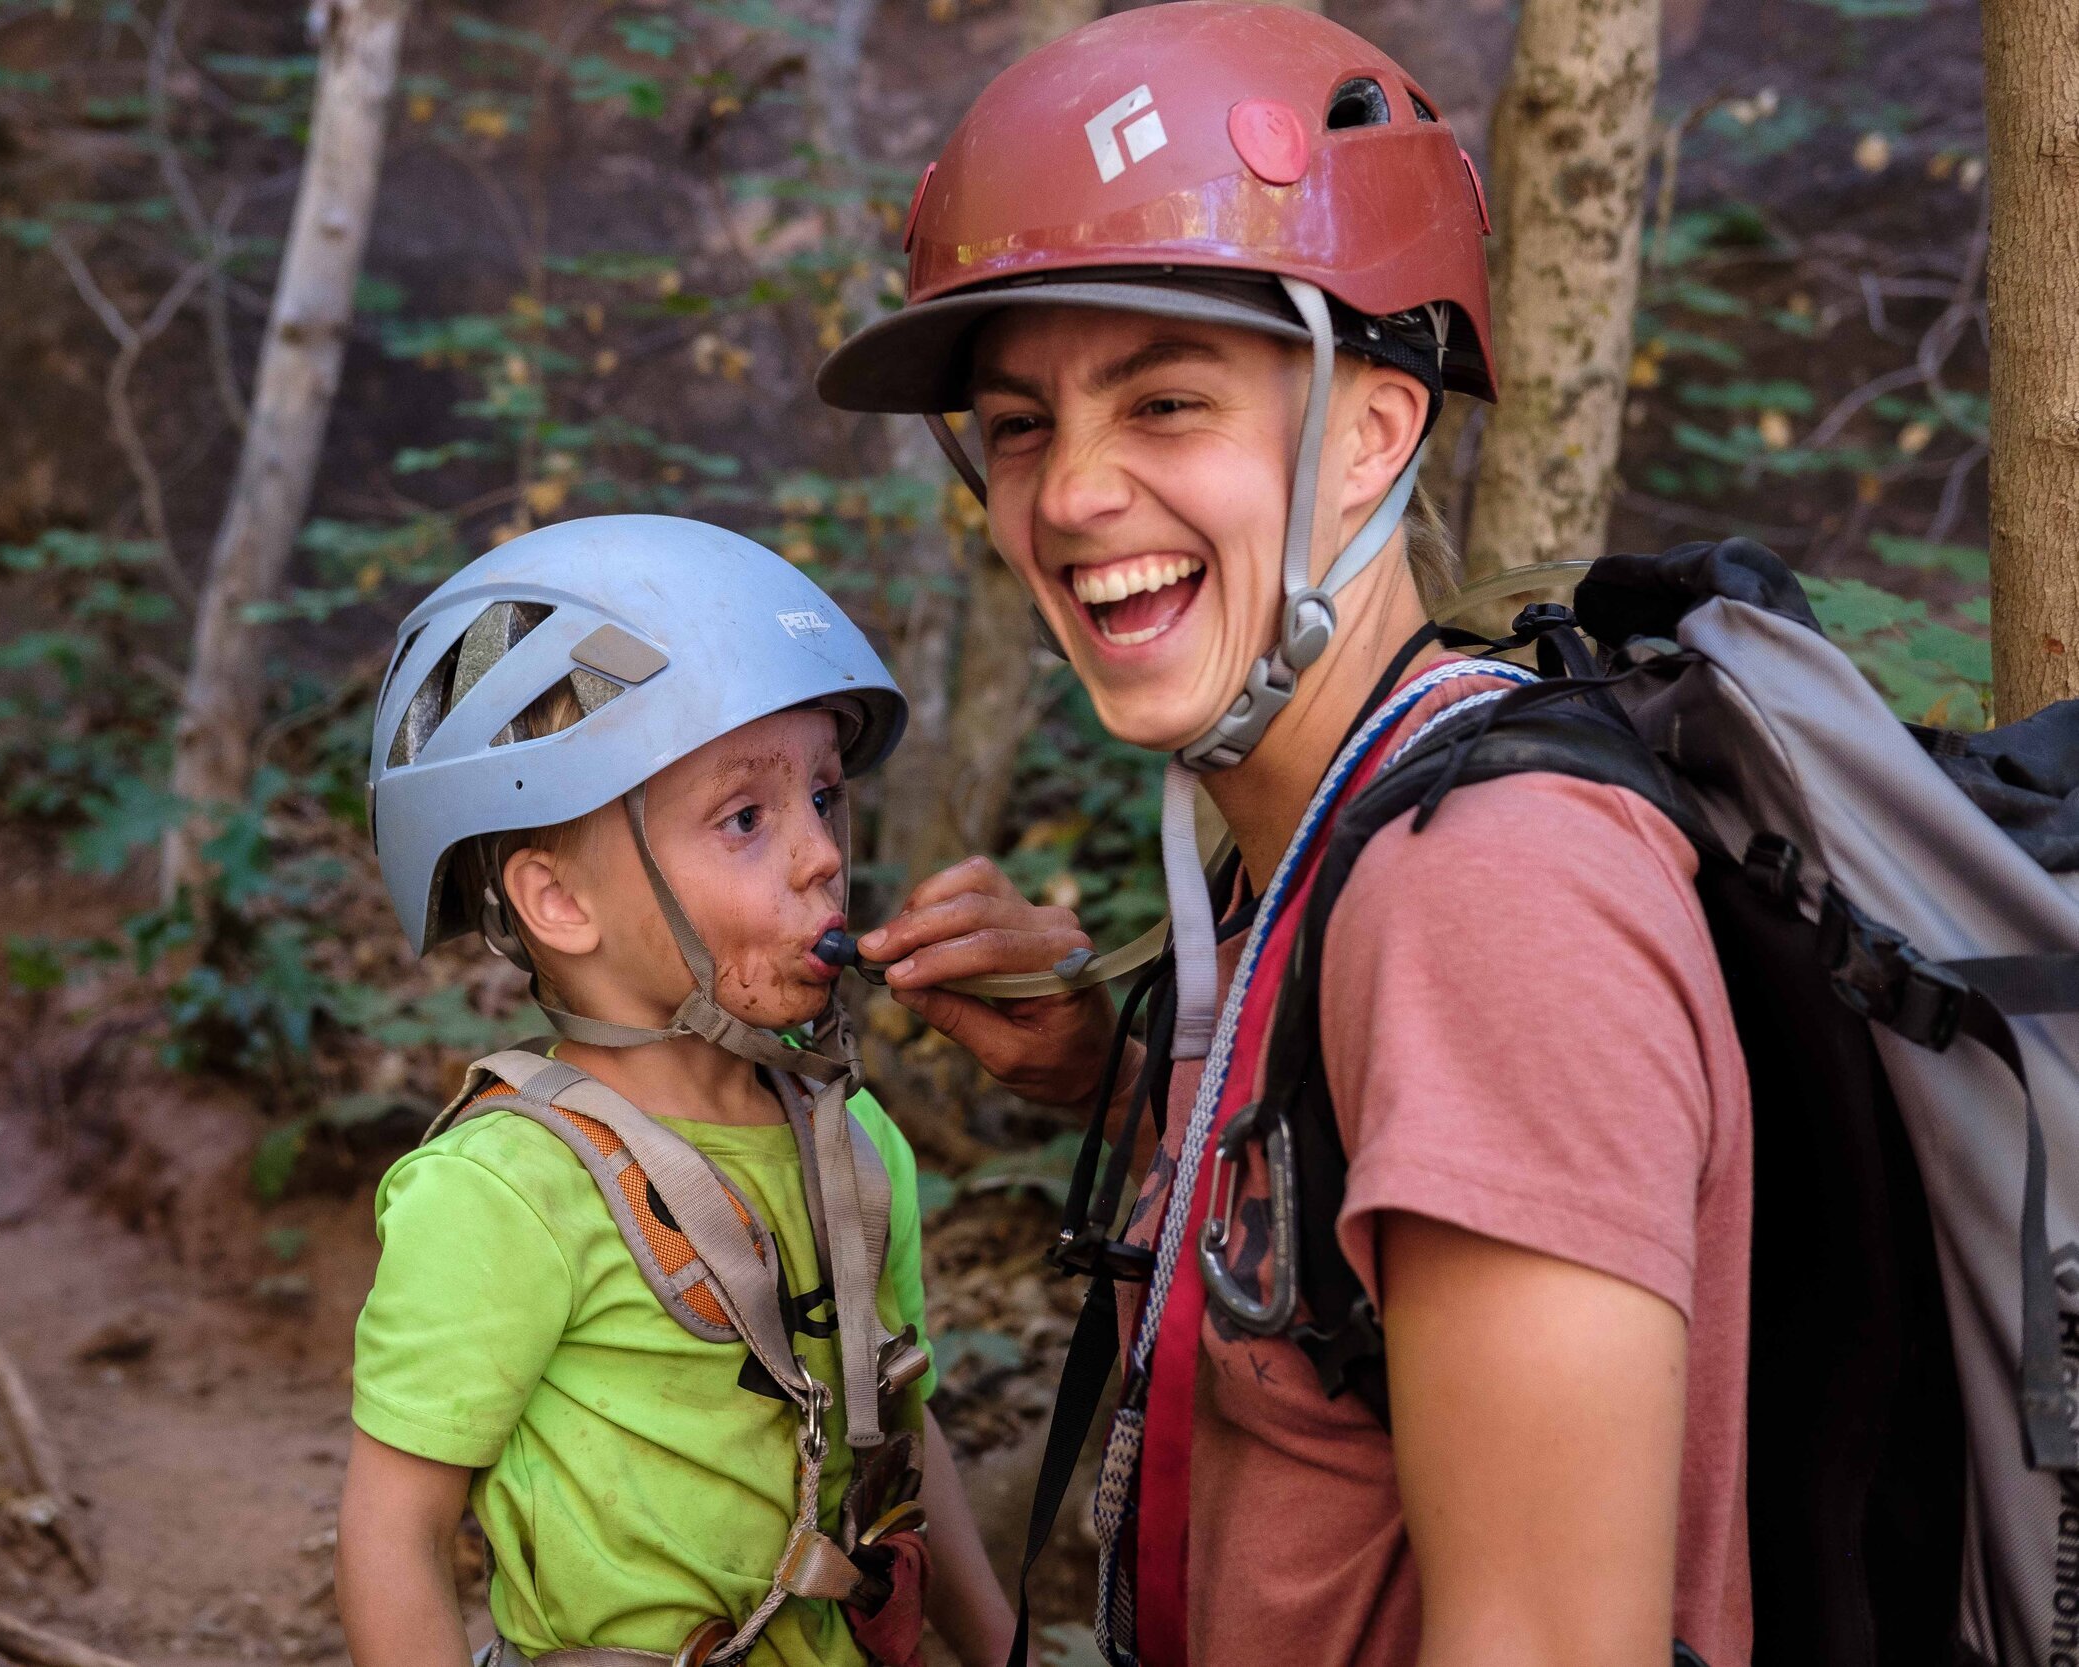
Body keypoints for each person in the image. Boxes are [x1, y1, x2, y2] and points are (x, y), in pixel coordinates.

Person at [816, 8, 1751, 1667]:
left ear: (1374, 431)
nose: (1073, 494)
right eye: (1020, 425)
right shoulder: (1308, 853)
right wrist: (1121, 1065)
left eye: (1165, 402)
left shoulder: (1493, 892)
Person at [338, 516, 1016, 1667]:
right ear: (559, 900)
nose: (819, 854)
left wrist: (1004, 1647)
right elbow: (391, 1531)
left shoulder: (850, 1141)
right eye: (746, 817)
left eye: (823, 794)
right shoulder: (505, 1191)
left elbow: (900, 1416)